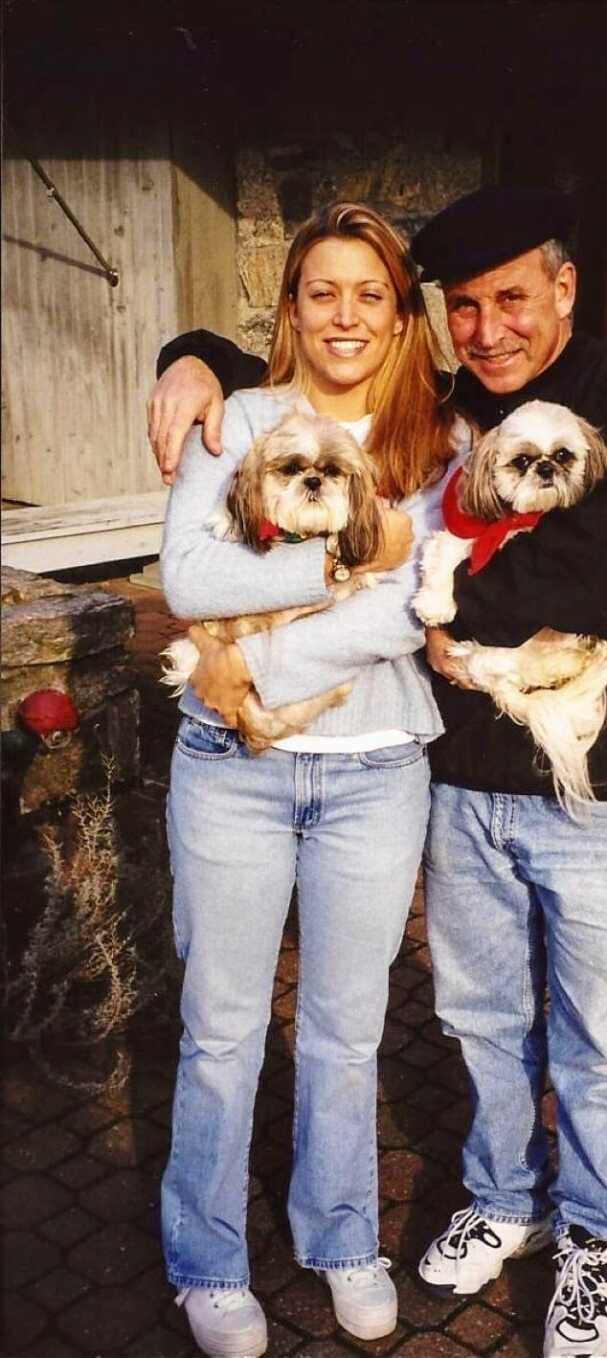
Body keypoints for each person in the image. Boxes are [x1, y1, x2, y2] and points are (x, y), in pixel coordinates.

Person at [149, 185, 607, 1358]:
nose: (493, 326)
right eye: (469, 306)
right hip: (436, 781)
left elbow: (538, 575)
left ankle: (558, 1242)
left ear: (562, 287)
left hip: (526, 780)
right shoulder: (338, 420)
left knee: (569, 1031)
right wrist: (191, 356)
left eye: (514, 297)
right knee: (447, 1017)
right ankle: (468, 1208)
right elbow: (213, 562)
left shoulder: (552, 409)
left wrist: (356, 614)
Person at [156, 201, 466, 1358]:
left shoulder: (432, 445)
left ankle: (342, 1236)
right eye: (322, 291)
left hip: (376, 767)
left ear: (399, 316)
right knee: (221, 1027)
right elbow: (186, 578)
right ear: (290, 310)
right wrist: (335, 566)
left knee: (346, 1027)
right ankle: (208, 1259)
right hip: (227, 770)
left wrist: (256, 654)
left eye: (369, 294)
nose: (345, 314)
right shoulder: (234, 416)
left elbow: (404, 614)